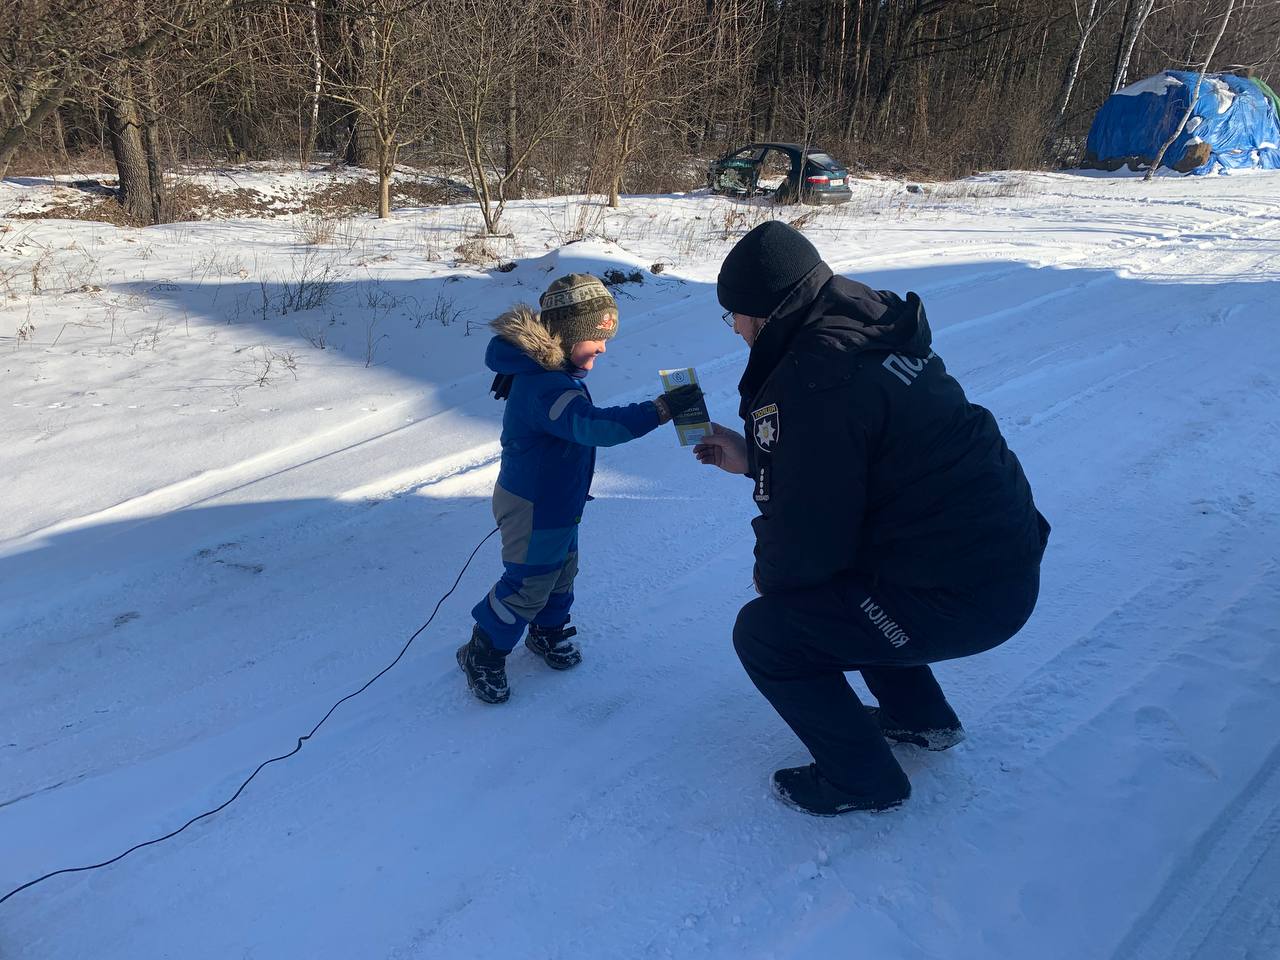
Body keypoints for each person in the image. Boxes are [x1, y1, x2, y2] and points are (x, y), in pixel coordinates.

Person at [694, 222, 1050, 816]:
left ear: (764, 313)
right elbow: (858, 459)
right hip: (993, 566)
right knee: (842, 585)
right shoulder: (863, 330)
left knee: (769, 632)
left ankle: (861, 780)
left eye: (734, 316)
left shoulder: (814, 381)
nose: (734, 329)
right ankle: (920, 719)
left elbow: (806, 539)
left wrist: (775, 578)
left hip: (964, 595)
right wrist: (758, 456)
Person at [459, 273, 702, 704]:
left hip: (558, 501)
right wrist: (660, 409)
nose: (604, 347)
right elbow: (594, 427)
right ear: (567, 335)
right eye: (597, 338)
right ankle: (484, 650)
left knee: (561, 572)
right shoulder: (543, 386)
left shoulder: (555, 373)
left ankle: (547, 630)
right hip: (532, 506)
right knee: (529, 582)